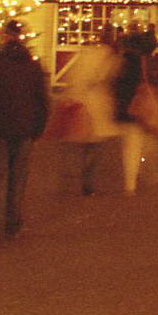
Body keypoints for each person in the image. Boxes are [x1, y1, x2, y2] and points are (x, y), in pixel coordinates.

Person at [0, 20, 49, 245]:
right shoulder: (32, 65)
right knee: (17, 178)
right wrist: (38, 127)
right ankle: (12, 224)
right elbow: (41, 99)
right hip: (24, 129)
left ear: (4, 37)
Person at [63, 28, 119, 195]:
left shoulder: (86, 55)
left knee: (81, 142)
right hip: (97, 105)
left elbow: (73, 77)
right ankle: (87, 181)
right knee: (95, 147)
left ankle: (74, 173)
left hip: (81, 103)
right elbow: (108, 80)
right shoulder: (109, 59)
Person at [112, 29, 158, 194]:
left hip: (124, 109)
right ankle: (142, 175)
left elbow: (114, 85)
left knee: (130, 147)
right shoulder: (142, 63)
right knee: (142, 144)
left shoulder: (120, 62)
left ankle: (131, 181)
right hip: (139, 108)